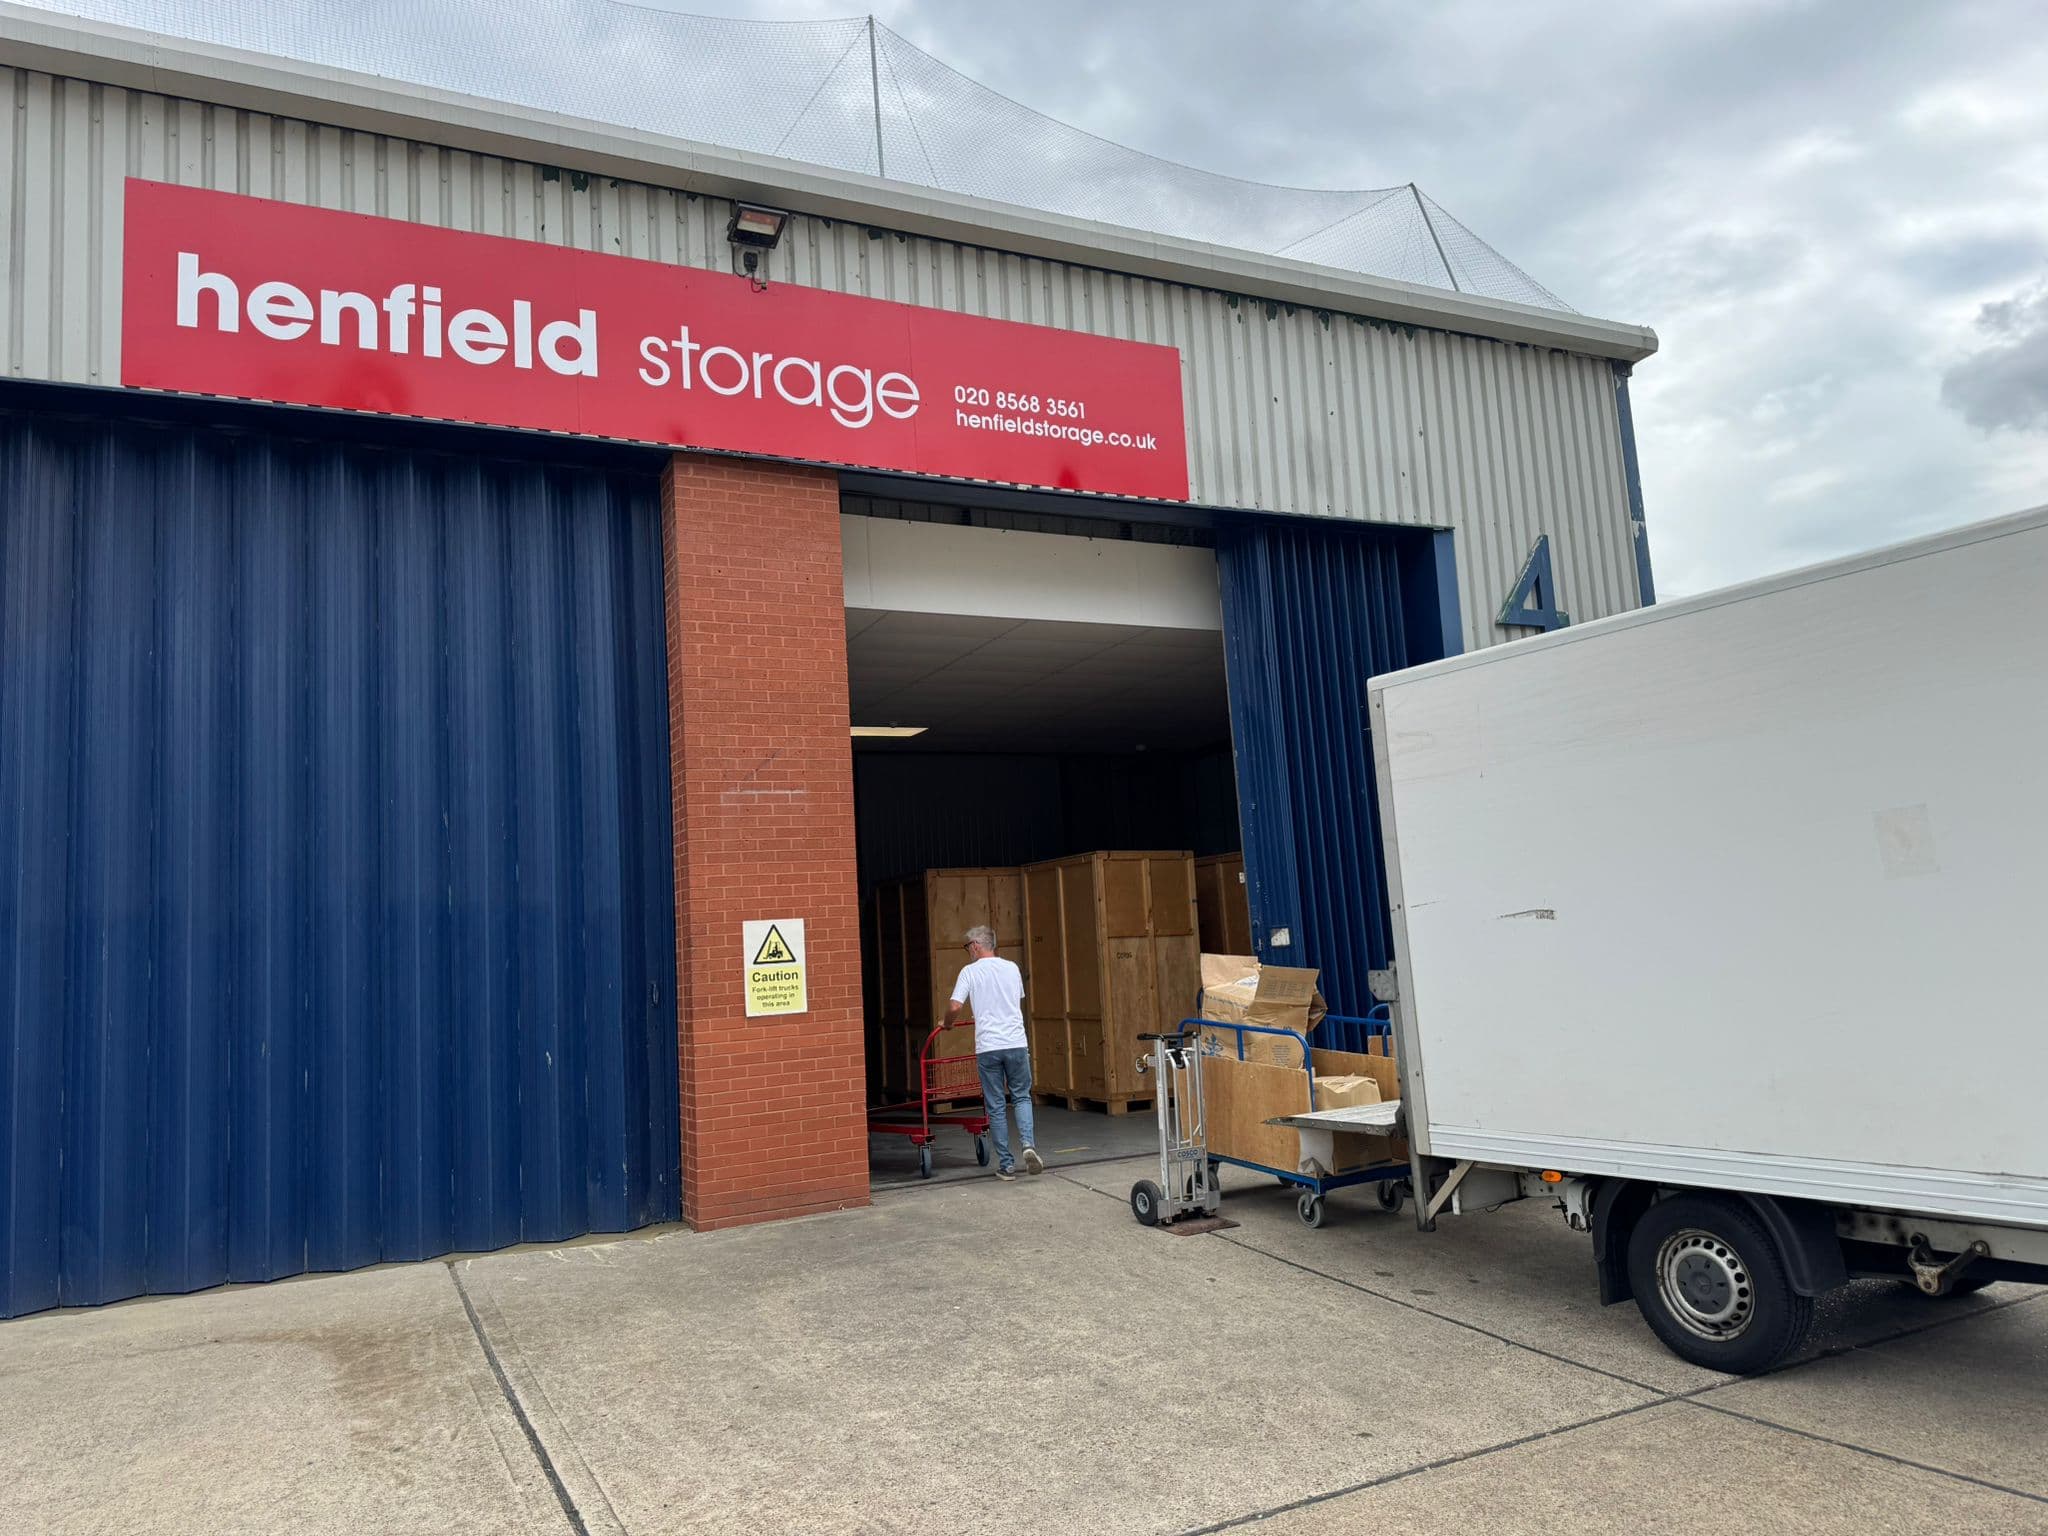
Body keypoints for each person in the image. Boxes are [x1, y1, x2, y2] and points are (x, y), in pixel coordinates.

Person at [945, 925, 1044, 1181]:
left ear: (977, 945)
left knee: (996, 1105)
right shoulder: (1012, 968)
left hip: (989, 1047)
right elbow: (1015, 999)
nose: (968, 951)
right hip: (1016, 1043)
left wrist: (946, 1024)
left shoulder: (969, 972)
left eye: (968, 946)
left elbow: (955, 1006)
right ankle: (1028, 1145)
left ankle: (1007, 1166)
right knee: (1021, 1097)